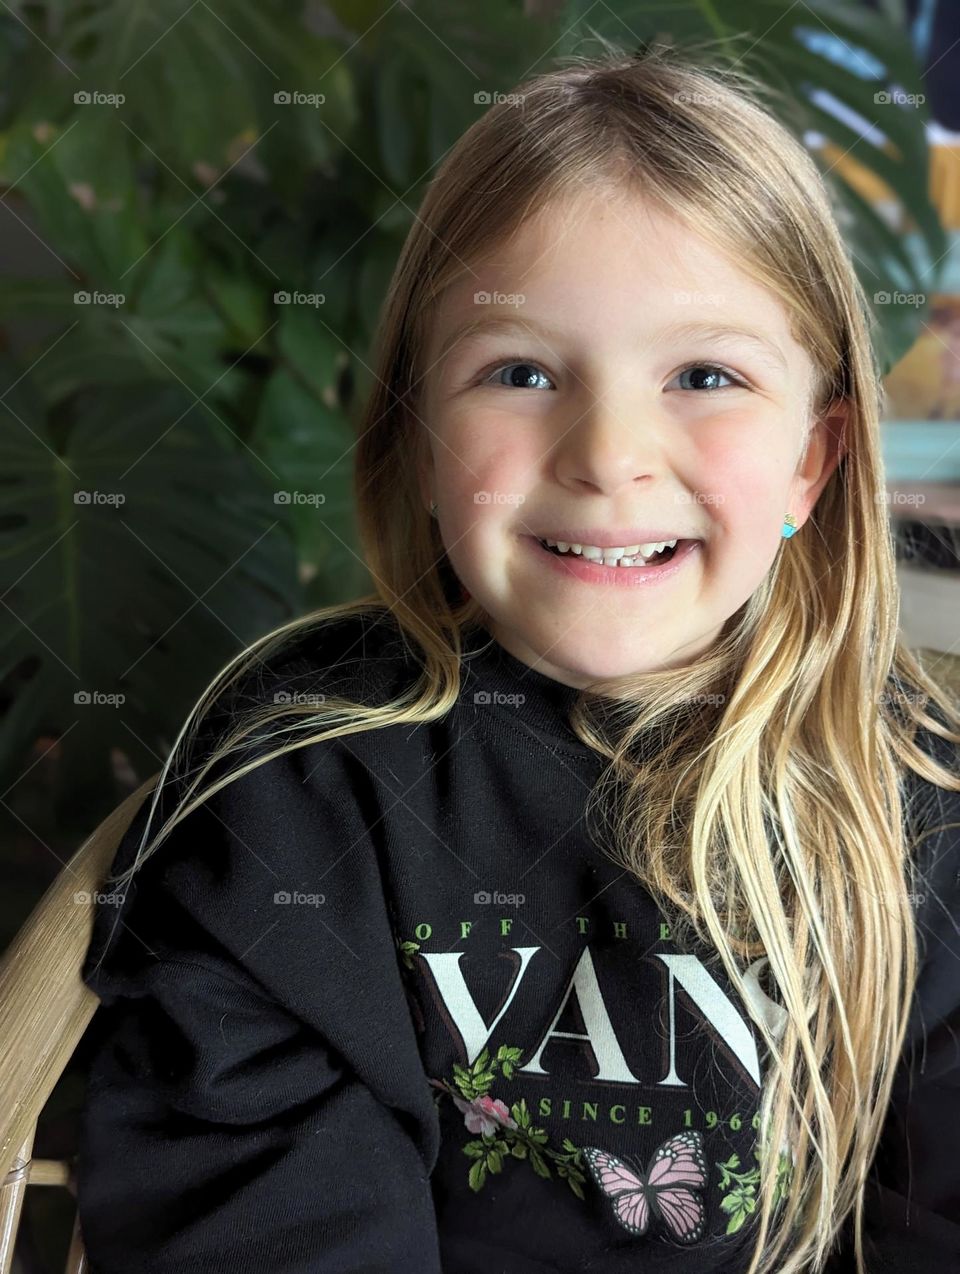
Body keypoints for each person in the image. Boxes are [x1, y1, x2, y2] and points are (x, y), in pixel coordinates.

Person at [74, 45, 960, 1274]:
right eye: (523, 371)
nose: (609, 454)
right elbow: (262, 1225)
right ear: (421, 434)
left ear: (814, 460)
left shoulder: (920, 802)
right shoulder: (293, 797)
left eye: (705, 374)